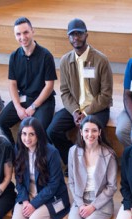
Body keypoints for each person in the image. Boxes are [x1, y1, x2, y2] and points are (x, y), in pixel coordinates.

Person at [47, 18, 113, 165]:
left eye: (79, 34)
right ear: (68, 37)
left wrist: (86, 113)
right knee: (52, 131)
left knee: (91, 133)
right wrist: (75, 111)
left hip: (97, 108)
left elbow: (106, 94)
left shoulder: (101, 60)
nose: (76, 38)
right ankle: (73, 161)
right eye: (72, 34)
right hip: (75, 108)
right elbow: (64, 91)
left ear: (86, 35)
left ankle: (98, 165)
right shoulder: (65, 61)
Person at [10, 117, 70, 219]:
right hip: (27, 196)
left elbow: (54, 185)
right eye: (24, 134)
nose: (27, 138)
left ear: (38, 135)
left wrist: (34, 204)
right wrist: (24, 200)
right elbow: (18, 179)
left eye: (31, 134)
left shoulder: (51, 153)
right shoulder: (18, 149)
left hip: (51, 198)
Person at [66, 116, 117, 219]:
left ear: (100, 132)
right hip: (80, 201)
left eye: (94, 130)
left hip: (101, 204)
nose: (90, 134)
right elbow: (72, 181)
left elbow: (111, 187)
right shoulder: (74, 151)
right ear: (81, 132)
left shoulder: (108, 154)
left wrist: (93, 207)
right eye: (86, 130)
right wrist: (81, 204)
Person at [0, 17, 57, 145]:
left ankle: (42, 162)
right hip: (23, 98)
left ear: (32, 32)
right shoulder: (14, 56)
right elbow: (12, 84)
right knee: (0, 123)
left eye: (25, 32)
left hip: (43, 101)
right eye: (18, 34)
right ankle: (16, 155)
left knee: (37, 130)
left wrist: (33, 107)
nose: (22, 37)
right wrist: (18, 107)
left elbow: (49, 86)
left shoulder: (46, 55)